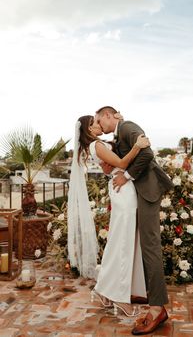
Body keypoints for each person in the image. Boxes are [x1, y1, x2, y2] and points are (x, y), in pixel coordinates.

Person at [95, 106, 174, 335]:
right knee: (143, 247)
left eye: (101, 121)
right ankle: (147, 296)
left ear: (110, 116)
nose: (100, 127)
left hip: (147, 192)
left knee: (150, 248)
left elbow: (147, 154)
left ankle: (158, 309)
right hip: (139, 194)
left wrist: (126, 176)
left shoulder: (128, 126)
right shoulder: (119, 135)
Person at [67, 114, 150, 316]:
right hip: (123, 190)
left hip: (121, 188)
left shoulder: (97, 145)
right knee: (123, 242)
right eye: (94, 123)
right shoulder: (97, 146)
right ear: (88, 129)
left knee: (118, 240)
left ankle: (105, 289)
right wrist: (137, 146)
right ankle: (120, 298)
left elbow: (113, 161)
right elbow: (122, 163)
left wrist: (121, 120)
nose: (98, 125)